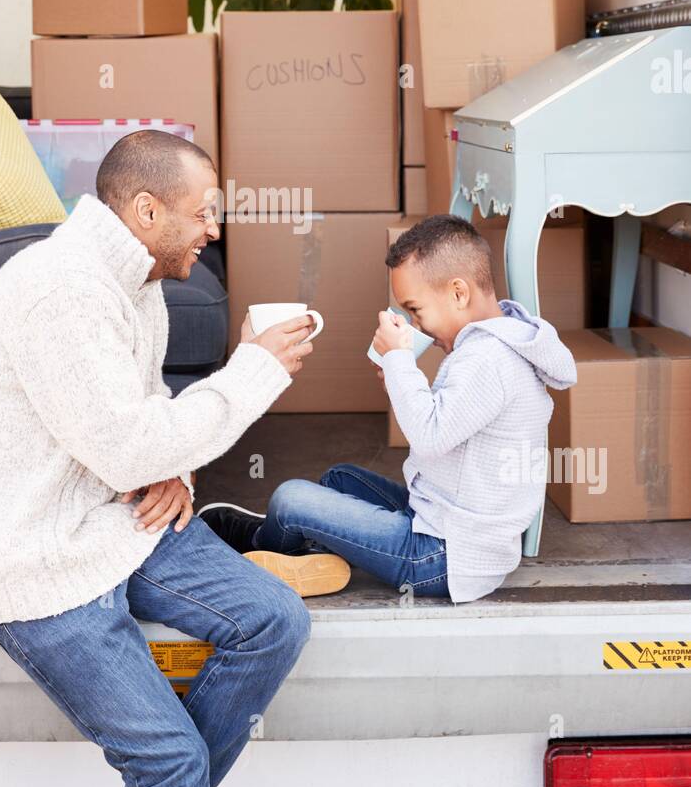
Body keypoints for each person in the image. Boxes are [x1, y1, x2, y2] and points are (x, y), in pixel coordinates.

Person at [0, 129, 317, 787]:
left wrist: (174, 469)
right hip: (29, 556)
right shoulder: (61, 292)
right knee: (171, 760)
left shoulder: (136, 286)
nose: (215, 228)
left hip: (114, 516)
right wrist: (251, 372)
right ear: (144, 210)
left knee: (273, 620)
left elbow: (132, 428)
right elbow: (127, 441)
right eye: (203, 212)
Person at [200, 214, 577, 605]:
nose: (416, 324)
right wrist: (400, 381)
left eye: (416, 310)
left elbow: (431, 437)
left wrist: (399, 361)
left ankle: (266, 548)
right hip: (444, 522)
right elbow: (452, 423)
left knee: (291, 498)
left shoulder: (488, 358)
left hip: (443, 555)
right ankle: (309, 557)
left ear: (459, 293)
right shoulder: (498, 344)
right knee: (340, 479)